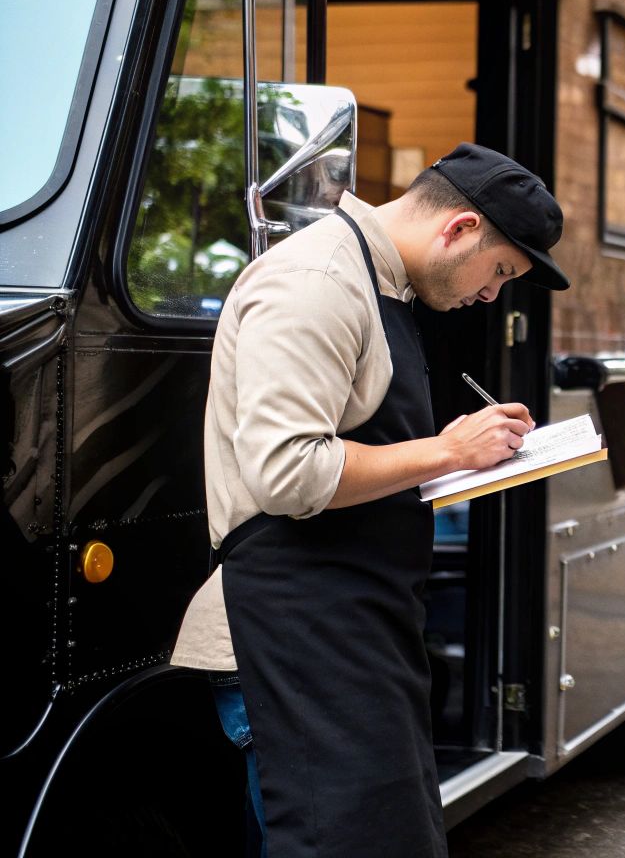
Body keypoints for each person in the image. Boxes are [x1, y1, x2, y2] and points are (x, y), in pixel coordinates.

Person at [169, 143, 568, 858]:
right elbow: (287, 472)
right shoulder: (317, 280)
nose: (491, 295)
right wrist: (449, 451)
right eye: (500, 271)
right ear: (460, 228)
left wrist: (464, 461)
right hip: (291, 634)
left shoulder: (378, 283)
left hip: (351, 632)